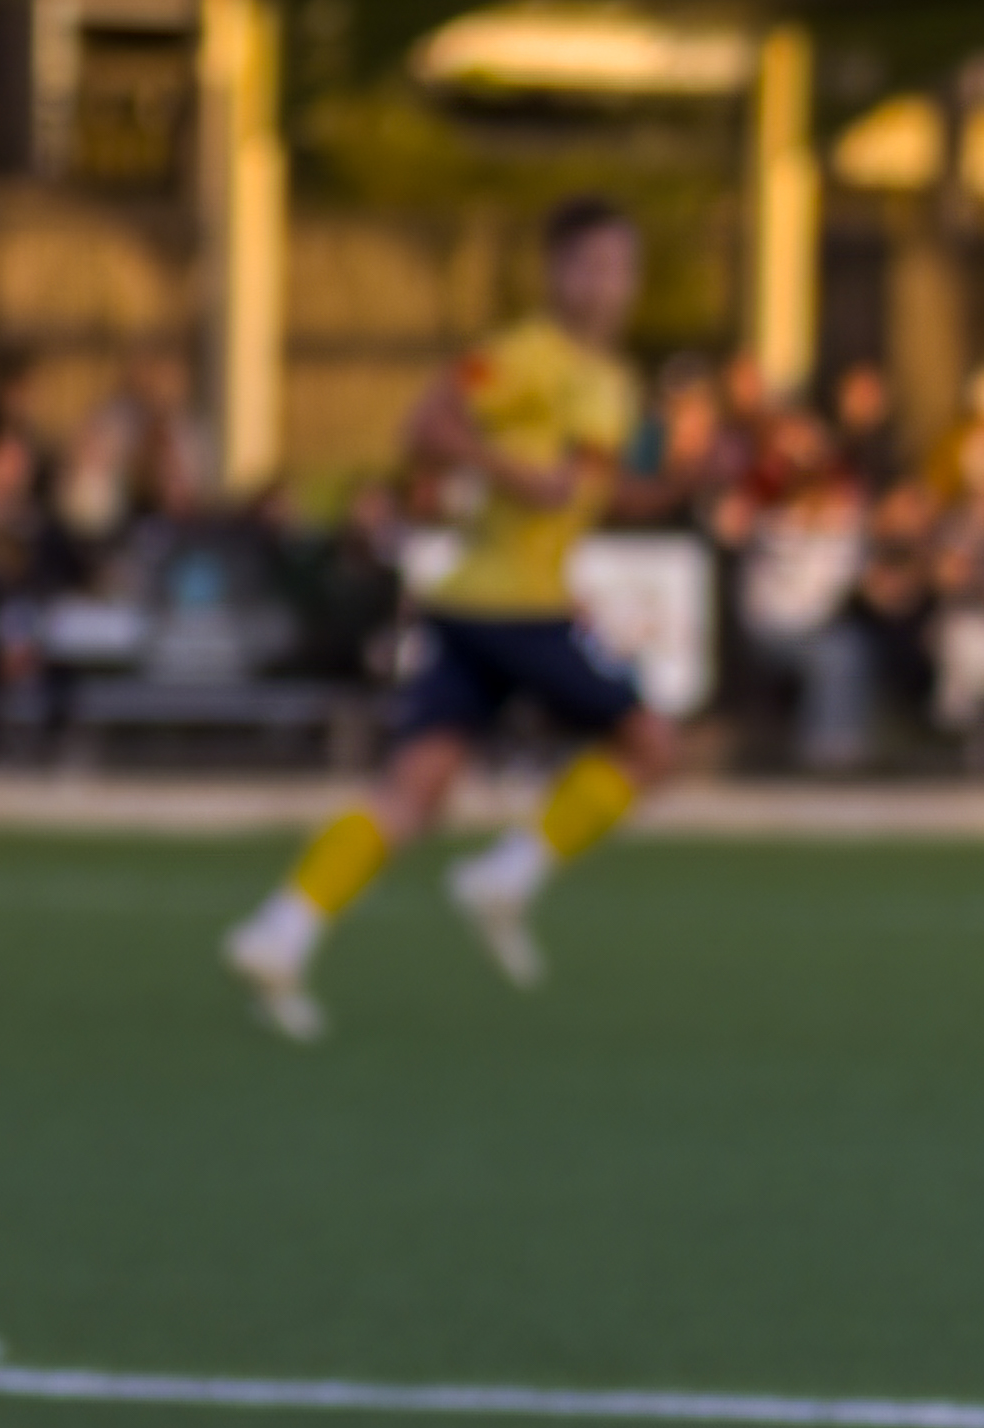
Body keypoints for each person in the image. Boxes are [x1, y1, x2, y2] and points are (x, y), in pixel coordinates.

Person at [218, 198, 663, 1036]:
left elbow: (583, 491)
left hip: (502, 604)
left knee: (415, 788)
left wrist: (671, 486)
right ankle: (509, 875)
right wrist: (508, 472)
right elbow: (424, 425)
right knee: (653, 743)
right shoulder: (524, 355)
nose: (609, 285)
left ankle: (282, 929)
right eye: (593, 265)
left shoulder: (612, 379)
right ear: (558, 271)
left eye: (622, 268)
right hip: (508, 605)